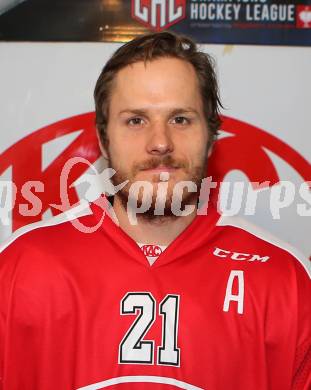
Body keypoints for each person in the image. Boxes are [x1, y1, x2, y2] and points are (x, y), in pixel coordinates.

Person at [0, 32, 310, 390]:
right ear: (103, 139)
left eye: (180, 119)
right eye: (136, 120)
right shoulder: (19, 268)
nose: (160, 142)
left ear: (210, 136)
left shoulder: (282, 280)